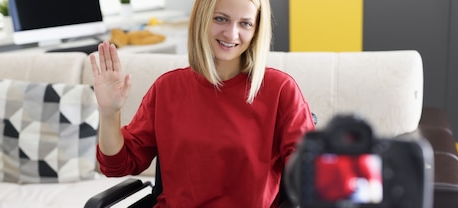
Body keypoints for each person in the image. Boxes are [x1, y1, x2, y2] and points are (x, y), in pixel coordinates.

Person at [89, 0, 315, 206]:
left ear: (257, 30)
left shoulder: (280, 89)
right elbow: (117, 165)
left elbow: (312, 174)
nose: (231, 33)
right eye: (221, 19)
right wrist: (109, 113)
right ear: (202, 19)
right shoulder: (168, 88)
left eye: (245, 24)